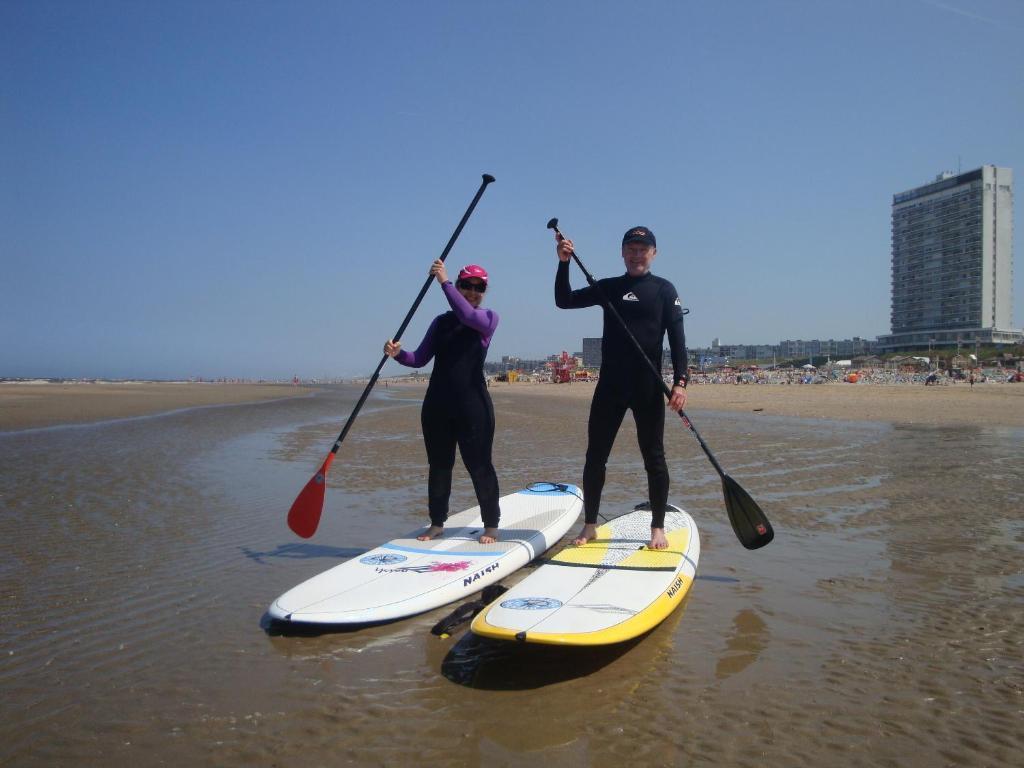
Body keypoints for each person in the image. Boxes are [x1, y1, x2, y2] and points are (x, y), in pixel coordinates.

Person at [554, 226, 687, 550]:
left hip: (647, 388)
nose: (637, 254)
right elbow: (564, 301)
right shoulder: (610, 288)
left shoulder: (664, 291)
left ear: (653, 253)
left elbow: (678, 341)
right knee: (595, 457)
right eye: (631, 248)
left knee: (654, 458)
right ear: (622, 253)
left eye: (643, 249)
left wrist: (680, 382)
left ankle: (657, 527)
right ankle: (590, 526)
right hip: (611, 387)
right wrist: (564, 263)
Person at [384, 259, 501, 544]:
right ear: (460, 286)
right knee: (439, 466)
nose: (473, 292)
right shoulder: (440, 323)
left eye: (479, 287)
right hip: (437, 406)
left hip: (474, 407)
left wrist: (444, 282)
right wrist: (397, 354)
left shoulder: (487, 319)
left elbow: (467, 316)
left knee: (480, 466)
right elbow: (419, 358)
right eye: (467, 286)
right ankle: (437, 523)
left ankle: (491, 526)